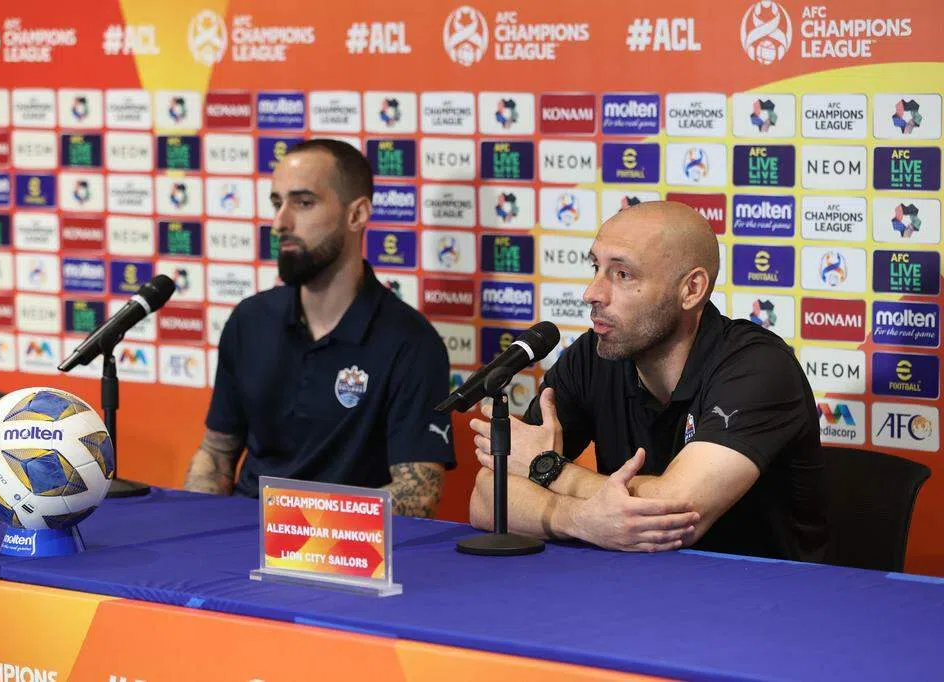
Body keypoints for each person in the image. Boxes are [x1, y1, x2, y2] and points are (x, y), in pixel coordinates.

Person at [469, 201, 828, 561]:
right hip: (633, 582)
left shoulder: (758, 366)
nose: (592, 293)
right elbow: (487, 498)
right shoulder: (594, 354)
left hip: (758, 589)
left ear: (691, 290)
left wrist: (548, 470)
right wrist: (579, 520)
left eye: (623, 274)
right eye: (596, 267)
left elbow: (675, 512)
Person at [185, 139, 455, 517]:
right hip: (240, 536)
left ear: (357, 215)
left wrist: (299, 530)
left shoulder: (411, 342)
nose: (280, 223)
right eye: (277, 203)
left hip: (346, 545)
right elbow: (216, 453)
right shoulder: (249, 320)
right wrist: (198, 520)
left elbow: (418, 494)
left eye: (303, 203)